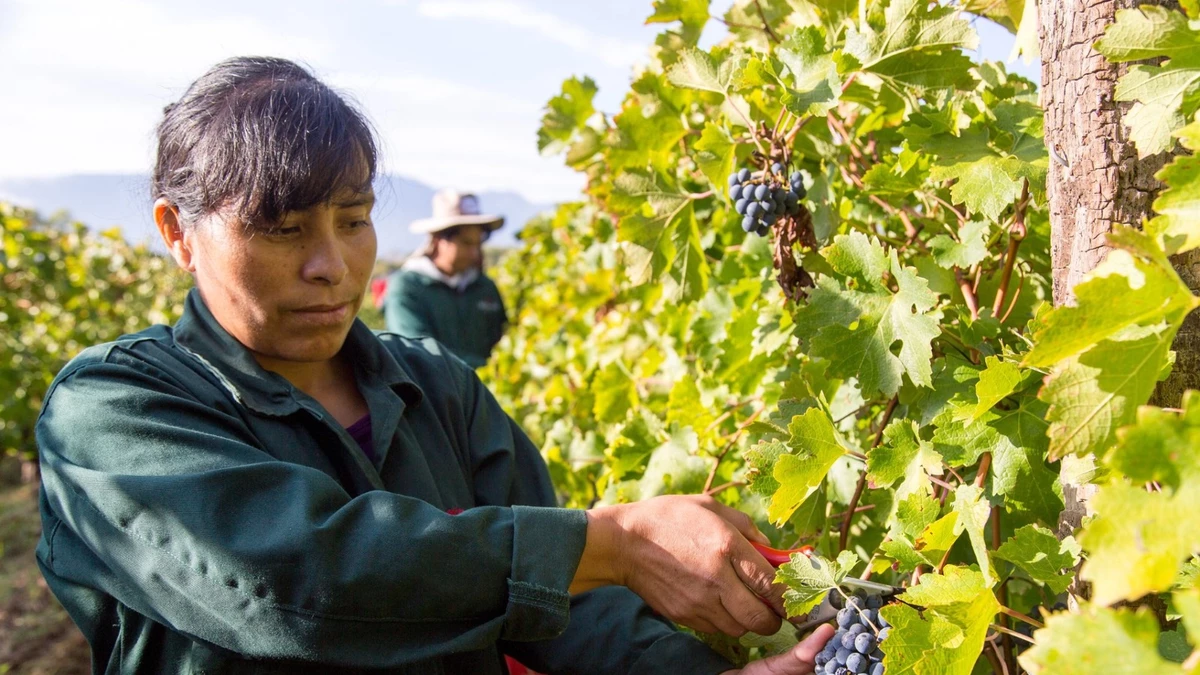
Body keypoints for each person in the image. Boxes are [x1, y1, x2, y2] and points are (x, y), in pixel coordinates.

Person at [34, 56, 832, 674]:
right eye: (281, 230)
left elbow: (565, 603)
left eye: (353, 220)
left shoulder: (437, 386)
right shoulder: (111, 410)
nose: (331, 265)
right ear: (177, 232)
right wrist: (610, 542)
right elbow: (297, 580)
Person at [383, 191, 507, 367]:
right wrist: (483, 371)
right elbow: (417, 351)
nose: (474, 253)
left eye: (478, 244)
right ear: (439, 240)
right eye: (466, 243)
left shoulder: (484, 287)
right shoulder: (408, 287)